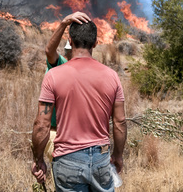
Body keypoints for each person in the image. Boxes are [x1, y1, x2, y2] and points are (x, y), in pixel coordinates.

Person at [32, 20, 127, 191]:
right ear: (96, 43)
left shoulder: (53, 76)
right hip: (101, 158)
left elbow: (41, 125)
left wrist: (38, 160)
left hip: (67, 160)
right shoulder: (112, 76)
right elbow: (120, 122)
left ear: (70, 40)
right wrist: (118, 155)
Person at [44, 11, 91, 161]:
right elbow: (50, 52)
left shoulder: (85, 70)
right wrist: (64, 23)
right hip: (57, 134)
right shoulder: (61, 64)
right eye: (73, 50)